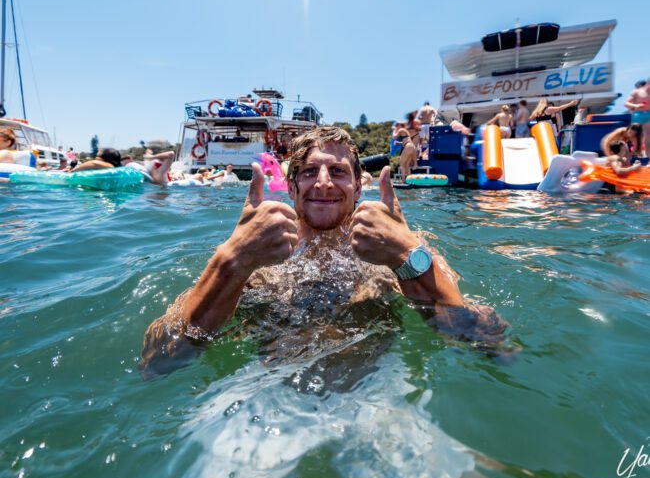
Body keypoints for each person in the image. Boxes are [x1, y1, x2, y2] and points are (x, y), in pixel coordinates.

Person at [140, 126, 505, 378]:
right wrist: (233, 261)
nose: (325, 182)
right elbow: (159, 361)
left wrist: (407, 254)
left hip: (379, 396)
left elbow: (485, 340)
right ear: (293, 188)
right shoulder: (256, 254)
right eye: (310, 171)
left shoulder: (401, 246)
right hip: (264, 398)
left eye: (338, 171)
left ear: (359, 187)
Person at [624, 79, 650, 156]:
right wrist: (636, 106)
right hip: (637, 115)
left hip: (648, 115)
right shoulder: (636, 92)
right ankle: (635, 154)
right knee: (635, 136)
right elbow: (626, 103)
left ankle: (647, 156)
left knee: (647, 137)